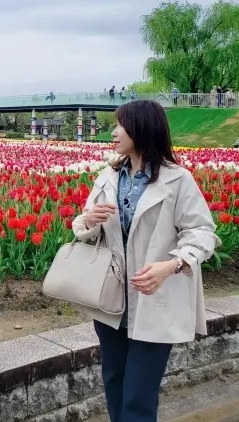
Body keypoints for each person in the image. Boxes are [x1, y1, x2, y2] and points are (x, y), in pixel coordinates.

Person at [71, 100, 219, 422]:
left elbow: (202, 232)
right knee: (113, 382)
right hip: (110, 301)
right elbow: (86, 228)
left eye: (120, 125)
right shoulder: (108, 177)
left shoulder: (177, 180)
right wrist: (89, 220)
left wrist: (173, 265)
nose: (113, 132)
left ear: (141, 128)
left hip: (154, 298)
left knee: (138, 395)